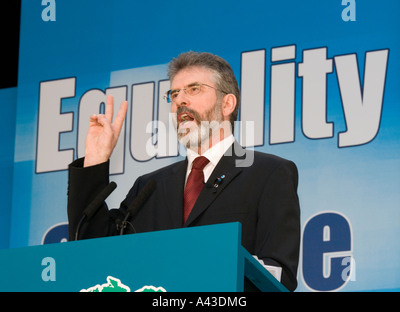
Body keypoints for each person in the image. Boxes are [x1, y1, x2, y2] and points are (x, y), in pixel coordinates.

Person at [67, 51, 300, 291]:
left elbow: (278, 275)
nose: (180, 101)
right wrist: (96, 159)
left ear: (227, 104)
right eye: (174, 94)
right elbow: (91, 250)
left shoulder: (269, 173)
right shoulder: (149, 187)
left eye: (194, 89)